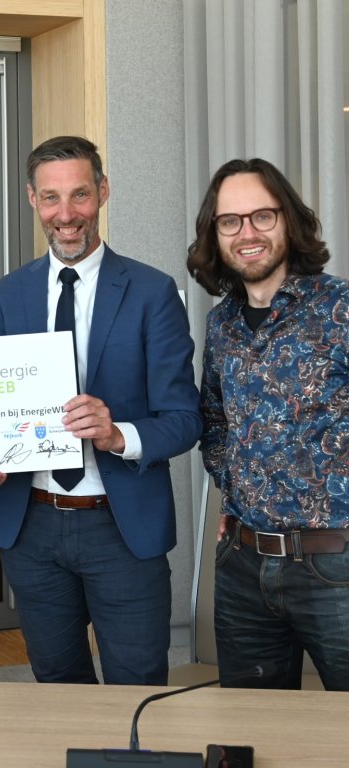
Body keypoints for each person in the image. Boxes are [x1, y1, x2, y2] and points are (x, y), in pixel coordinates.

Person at [0, 136, 201, 685]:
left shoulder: (152, 291)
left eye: (79, 196)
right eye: (51, 198)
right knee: (56, 683)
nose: (66, 215)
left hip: (121, 528)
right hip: (32, 526)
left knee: (137, 683)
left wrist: (118, 434)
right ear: (32, 200)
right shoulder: (9, 294)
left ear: (103, 192)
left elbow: (184, 418)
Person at [188, 157, 349, 691]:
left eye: (262, 216)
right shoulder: (222, 324)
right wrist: (239, 490)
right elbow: (214, 421)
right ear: (216, 234)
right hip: (243, 567)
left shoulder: (340, 309)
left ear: (289, 220)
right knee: (251, 732)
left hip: (336, 566)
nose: (247, 233)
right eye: (230, 221)